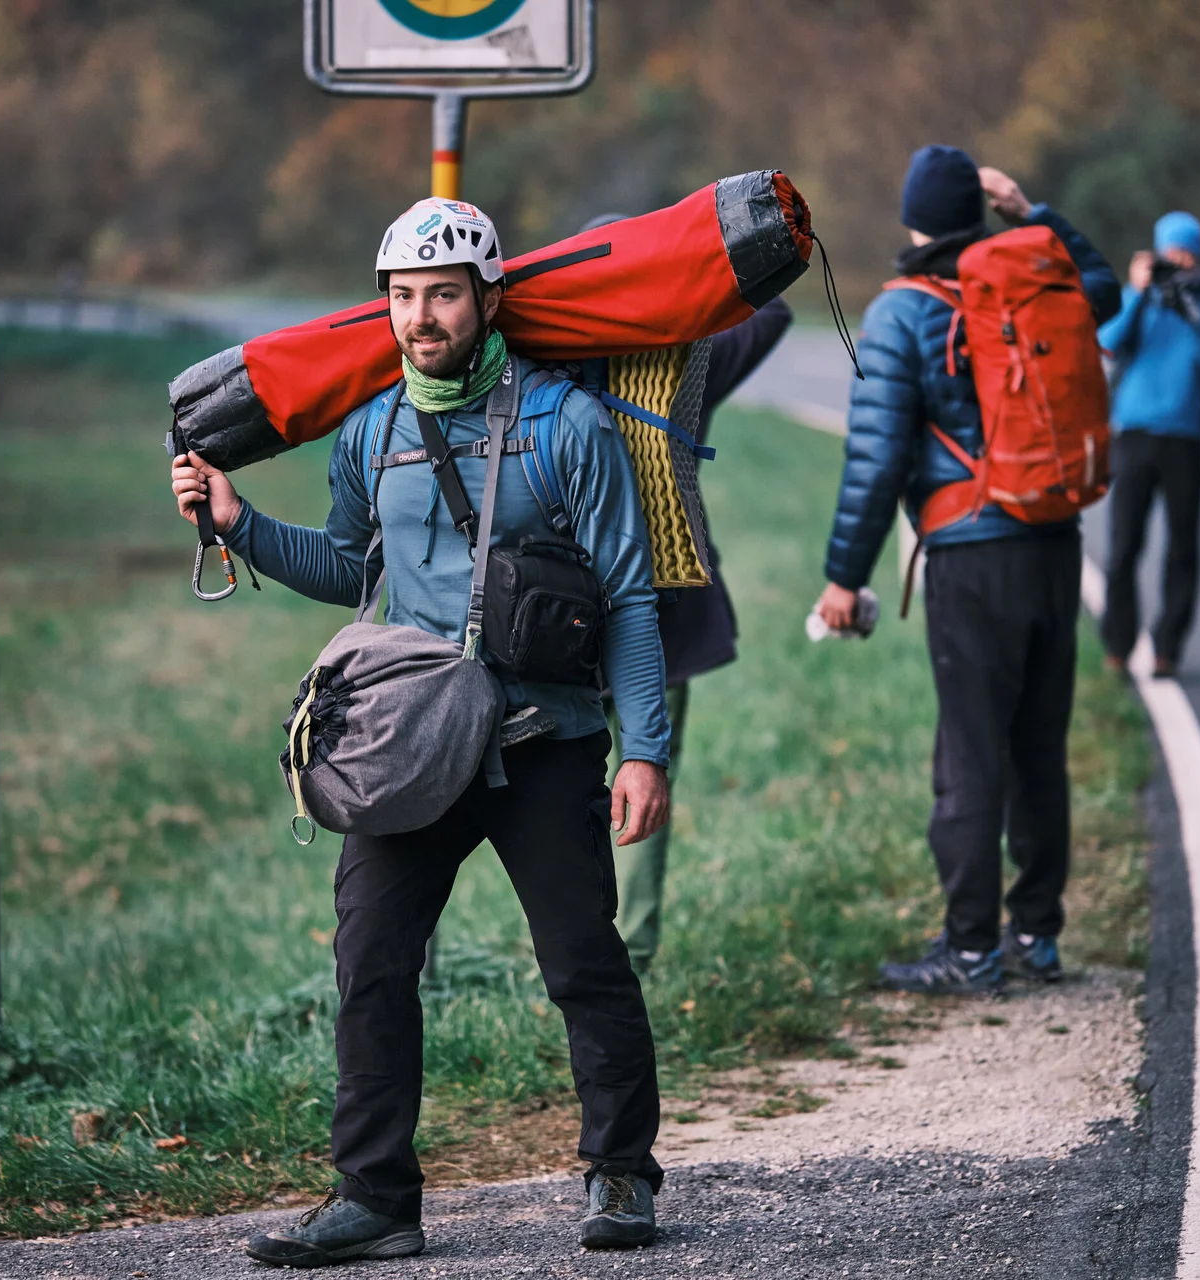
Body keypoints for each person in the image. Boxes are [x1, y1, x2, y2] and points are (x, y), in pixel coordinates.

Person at [172, 198, 670, 1265]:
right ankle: (376, 1199)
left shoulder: (567, 425)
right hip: (415, 744)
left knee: (582, 957)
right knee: (372, 960)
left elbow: (628, 595)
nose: (420, 316)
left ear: (490, 300)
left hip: (547, 736)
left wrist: (647, 749)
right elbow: (353, 571)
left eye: (443, 294)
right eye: (402, 296)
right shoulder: (374, 430)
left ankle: (621, 1171)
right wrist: (237, 522)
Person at [812, 145, 1120, 993]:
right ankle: (1040, 935)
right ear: (979, 214)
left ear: (913, 218)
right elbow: (1109, 290)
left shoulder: (901, 313)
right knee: (1037, 748)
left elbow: (874, 461)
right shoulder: (1041, 286)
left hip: (971, 557)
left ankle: (972, 947)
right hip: (1054, 543)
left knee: (970, 754)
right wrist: (1034, 214)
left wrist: (845, 576)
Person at [582, 213, 795, 977]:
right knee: (648, 775)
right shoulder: (692, 354)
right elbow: (774, 308)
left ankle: (570, 940)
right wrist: (689, 270)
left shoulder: (542, 359)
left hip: (560, 605)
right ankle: (631, 950)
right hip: (669, 603)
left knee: (562, 784)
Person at [1095, 211, 1200, 678]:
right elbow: (1107, 343)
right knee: (1122, 549)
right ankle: (1118, 645)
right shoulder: (1137, 299)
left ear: (1199, 259)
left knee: (1182, 549)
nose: (1178, 263)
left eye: (1187, 255)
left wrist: (1191, 313)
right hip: (1133, 434)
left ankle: (1168, 648)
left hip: (1186, 439)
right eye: (1170, 255)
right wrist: (1139, 293)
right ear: (1155, 255)